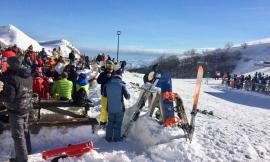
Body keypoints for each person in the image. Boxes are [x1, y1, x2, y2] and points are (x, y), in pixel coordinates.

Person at [0, 56, 33, 162]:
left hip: (16, 110)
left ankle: (22, 159)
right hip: (26, 107)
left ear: (12, 64)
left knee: (18, 136)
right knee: (25, 131)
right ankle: (27, 151)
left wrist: (1, 94)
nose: (7, 65)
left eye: (8, 64)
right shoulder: (28, 75)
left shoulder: (11, 77)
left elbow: (10, 98)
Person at [103, 68, 130, 142]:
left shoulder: (107, 85)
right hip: (120, 108)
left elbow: (104, 95)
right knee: (118, 124)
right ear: (120, 76)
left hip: (110, 108)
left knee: (110, 123)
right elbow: (127, 97)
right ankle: (116, 138)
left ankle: (108, 138)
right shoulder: (122, 85)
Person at [97, 61, 114, 127]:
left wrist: (109, 77)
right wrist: (106, 77)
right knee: (105, 109)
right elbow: (98, 81)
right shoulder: (103, 74)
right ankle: (103, 123)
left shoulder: (114, 74)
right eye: (109, 68)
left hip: (109, 94)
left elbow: (118, 82)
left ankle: (106, 122)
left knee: (107, 109)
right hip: (108, 94)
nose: (110, 69)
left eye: (110, 68)